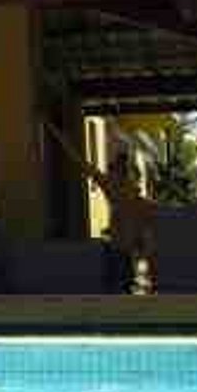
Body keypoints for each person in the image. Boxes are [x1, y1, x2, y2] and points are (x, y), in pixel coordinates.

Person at [45, 121, 159, 293]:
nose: (115, 172)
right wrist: (54, 131)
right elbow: (80, 161)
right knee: (119, 288)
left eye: (118, 169)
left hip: (122, 253)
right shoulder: (120, 191)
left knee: (120, 288)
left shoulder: (134, 199)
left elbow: (149, 240)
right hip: (120, 253)